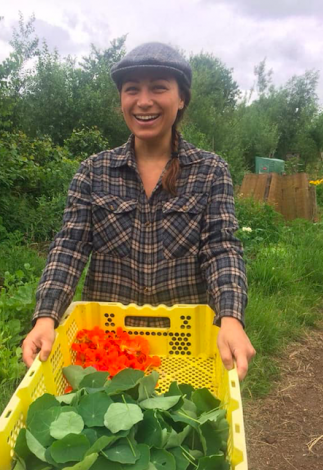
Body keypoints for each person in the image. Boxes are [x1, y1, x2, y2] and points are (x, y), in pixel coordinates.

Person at [21, 42, 255, 381]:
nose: (144, 101)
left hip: (184, 350)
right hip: (107, 350)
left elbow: (222, 249)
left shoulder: (210, 170)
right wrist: (46, 317)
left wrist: (231, 318)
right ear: (121, 101)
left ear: (181, 98)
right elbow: (69, 247)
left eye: (158, 88)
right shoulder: (94, 171)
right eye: (132, 90)